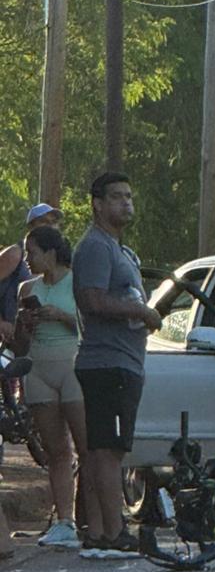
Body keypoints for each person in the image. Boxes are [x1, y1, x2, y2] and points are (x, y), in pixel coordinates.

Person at [72, 172, 161, 558]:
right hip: (107, 362)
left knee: (103, 450)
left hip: (121, 361)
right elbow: (92, 300)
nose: (126, 203)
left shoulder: (118, 249)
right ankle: (113, 531)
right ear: (98, 204)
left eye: (129, 196)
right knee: (108, 450)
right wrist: (140, 311)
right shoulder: (95, 247)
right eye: (117, 197)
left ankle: (99, 530)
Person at [13, 225, 88, 549]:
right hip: (39, 369)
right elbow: (19, 346)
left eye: (32, 253)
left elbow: (89, 325)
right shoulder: (27, 288)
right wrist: (24, 324)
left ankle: (93, 518)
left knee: (86, 448)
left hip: (72, 365)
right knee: (56, 451)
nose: (27, 260)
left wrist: (61, 315)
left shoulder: (78, 282)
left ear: (51, 253)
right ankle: (64, 521)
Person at [0, 203, 63, 346]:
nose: (51, 226)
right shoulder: (15, 254)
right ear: (31, 226)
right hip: (9, 341)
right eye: (45, 221)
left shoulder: (57, 261)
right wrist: (1, 323)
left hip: (39, 341)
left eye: (54, 222)